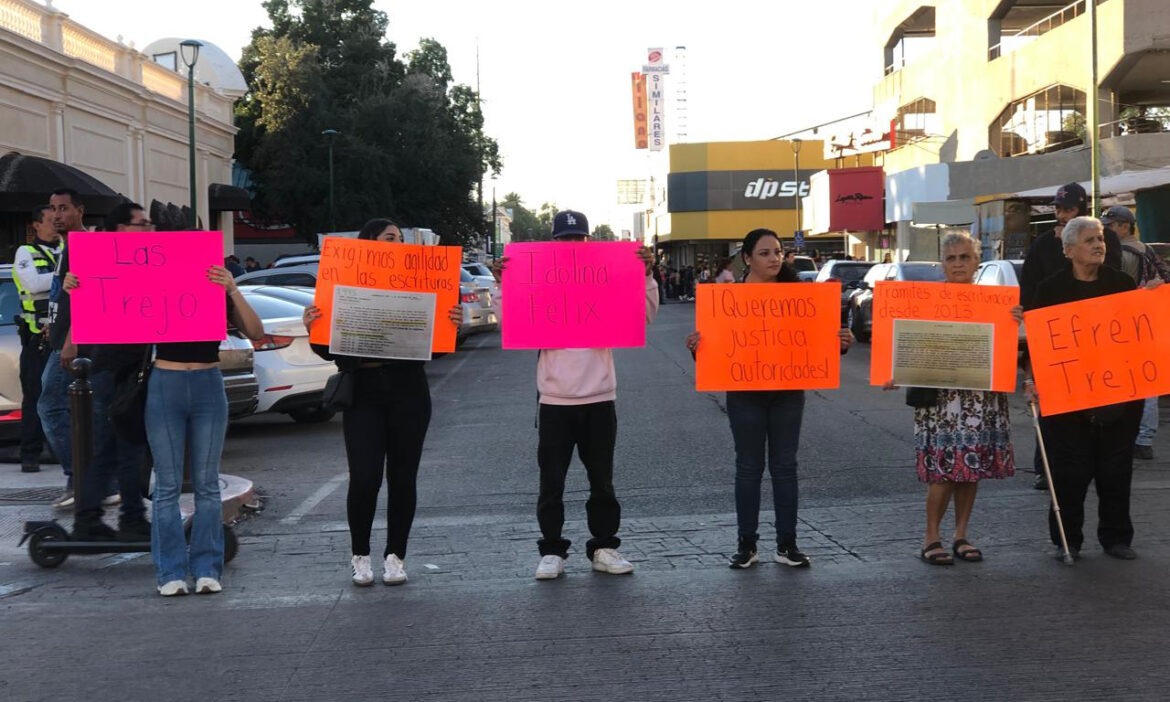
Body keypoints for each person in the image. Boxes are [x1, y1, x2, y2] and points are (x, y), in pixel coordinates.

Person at [493, 210, 658, 580]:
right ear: (554, 242)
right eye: (565, 238)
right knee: (551, 482)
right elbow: (510, 323)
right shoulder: (540, 279)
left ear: (587, 240)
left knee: (602, 480)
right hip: (555, 401)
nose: (572, 244)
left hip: (600, 397)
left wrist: (645, 275)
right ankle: (552, 550)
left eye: (578, 238)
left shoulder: (605, 276)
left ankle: (604, 546)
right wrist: (504, 282)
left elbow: (643, 314)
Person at [303, 218, 463, 588]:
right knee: (364, 478)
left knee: (403, 478)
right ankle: (360, 555)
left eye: (401, 239)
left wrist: (449, 322)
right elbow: (327, 350)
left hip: (409, 390)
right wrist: (312, 324)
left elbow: (436, 349)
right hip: (363, 392)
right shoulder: (342, 284)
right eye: (390, 238)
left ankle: (396, 556)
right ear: (369, 244)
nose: (398, 243)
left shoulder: (417, 282)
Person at [684, 228, 853, 569]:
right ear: (747, 258)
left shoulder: (802, 297)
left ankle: (786, 543)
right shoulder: (726, 298)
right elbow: (714, 354)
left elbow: (822, 344)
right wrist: (697, 348)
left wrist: (841, 343)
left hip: (787, 394)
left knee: (785, 468)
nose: (774, 258)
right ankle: (747, 544)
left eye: (777, 251)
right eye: (764, 253)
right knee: (748, 469)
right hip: (745, 395)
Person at [1024, 216, 1159, 561]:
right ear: (1069, 250)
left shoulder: (1122, 284)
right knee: (1070, 472)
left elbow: (1140, 336)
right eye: (1089, 240)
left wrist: (1154, 304)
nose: (1099, 244)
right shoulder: (1050, 290)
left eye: (1100, 238)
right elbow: (1038, 344)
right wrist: (1032, 379)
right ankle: (1067, 540)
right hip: (1068, 399)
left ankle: (1116, 538)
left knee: (1116, 471)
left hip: (1118, 397)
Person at [883, 233, 1019, 565]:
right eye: (952, 258)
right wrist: (892, 371)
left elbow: (1010, 347)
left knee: (970, 470)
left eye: (965, 257)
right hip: (940, 402)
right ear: (943, 264)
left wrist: (1018, 321)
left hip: (980, 399)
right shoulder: (925, 300)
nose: (958, 263)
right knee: (942, 472)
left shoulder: (996, 302)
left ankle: (961, 534)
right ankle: (931, 537)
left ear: (977, 261)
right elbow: (905, 341)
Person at [148, 261, 263, 596]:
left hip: (208, 382)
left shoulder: (216, 285)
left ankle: (206, 568)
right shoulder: (155, 280)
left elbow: (255, 332)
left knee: (207, 483)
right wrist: (76, 290)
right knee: (167, 485)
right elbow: (108, 307)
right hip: (165, 381)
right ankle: (169, 571)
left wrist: (232, 288)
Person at [1020, 182, 1122, 490]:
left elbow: (1112, 283)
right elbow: (1031, 293)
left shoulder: (1107, 242)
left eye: (1069, 209)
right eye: (1058, 209)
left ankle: (1095, 465)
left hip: (1097, 339)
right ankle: (1045, 468)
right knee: (1053, 409)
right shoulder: (1041, 246)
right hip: (1057, 340)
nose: (1061, 214)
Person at [62, 203, 154, 542]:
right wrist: (71, 337)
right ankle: (124, 517)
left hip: (129, 367)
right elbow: (85, 298)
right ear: (119, 229)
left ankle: (95, 517)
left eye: (148, 223)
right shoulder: (102, 260)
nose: (146, 228)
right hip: (113, 369)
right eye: (139, 223)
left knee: (119, 447)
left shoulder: (146, 261)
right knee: (123, 446)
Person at [1102, 205, 1169, 461]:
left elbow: (1118, 292)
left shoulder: (1123, 253)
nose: (1107, 230)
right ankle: (1145, 439)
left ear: (1123, 226)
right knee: (1148, 381)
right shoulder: (1148, 249)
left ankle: (1132, 437)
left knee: (1124, 381)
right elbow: (1167, 277)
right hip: (1149, 325)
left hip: (1125, 327)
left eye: (1110, 225)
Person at [38, 188, 87, 509]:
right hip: (60, 339)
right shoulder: (66, 247)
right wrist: (51, 323)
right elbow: (65, 296)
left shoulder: (81, 246)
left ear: (79, 211)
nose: (57, 215)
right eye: (53, 209)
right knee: (74, 412)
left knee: (50, 406)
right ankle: (86, 479)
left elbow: (88, 297)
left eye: (64, 208)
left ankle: (82, 479)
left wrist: (70, 340)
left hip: (71, 346)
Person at [12, 206, 62, 473]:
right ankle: (30, 454)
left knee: (65, 399)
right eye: (51, 220)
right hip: (35, 338)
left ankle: (60, 449)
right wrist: (63, 277)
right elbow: (31, 284)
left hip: (62, 336)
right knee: (34, 397)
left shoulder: (66, 247)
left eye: (58, 219)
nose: (56, 223)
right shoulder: (25, 252)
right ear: (36, 226)